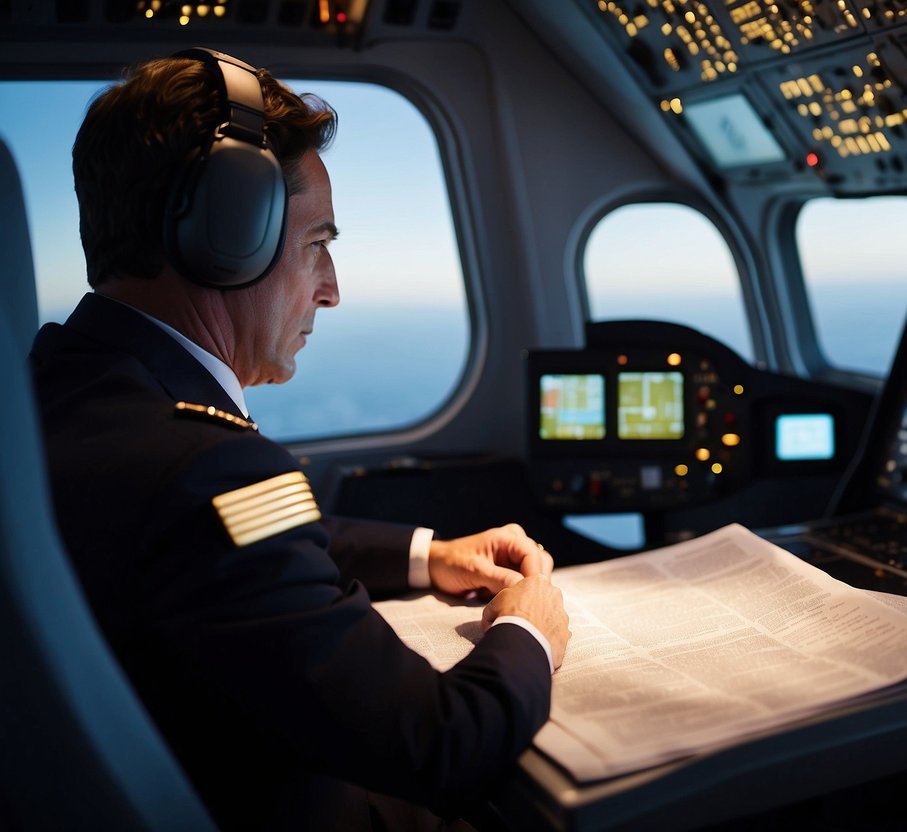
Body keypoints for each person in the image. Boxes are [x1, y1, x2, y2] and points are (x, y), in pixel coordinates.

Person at [28, 47, 571, 831]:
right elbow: (445, 744)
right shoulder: (201, 465)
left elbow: (234, 542)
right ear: (227, 232)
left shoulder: (65, 385)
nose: (332, 289)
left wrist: (428, 554)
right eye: (318, 243)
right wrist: (528, 630)